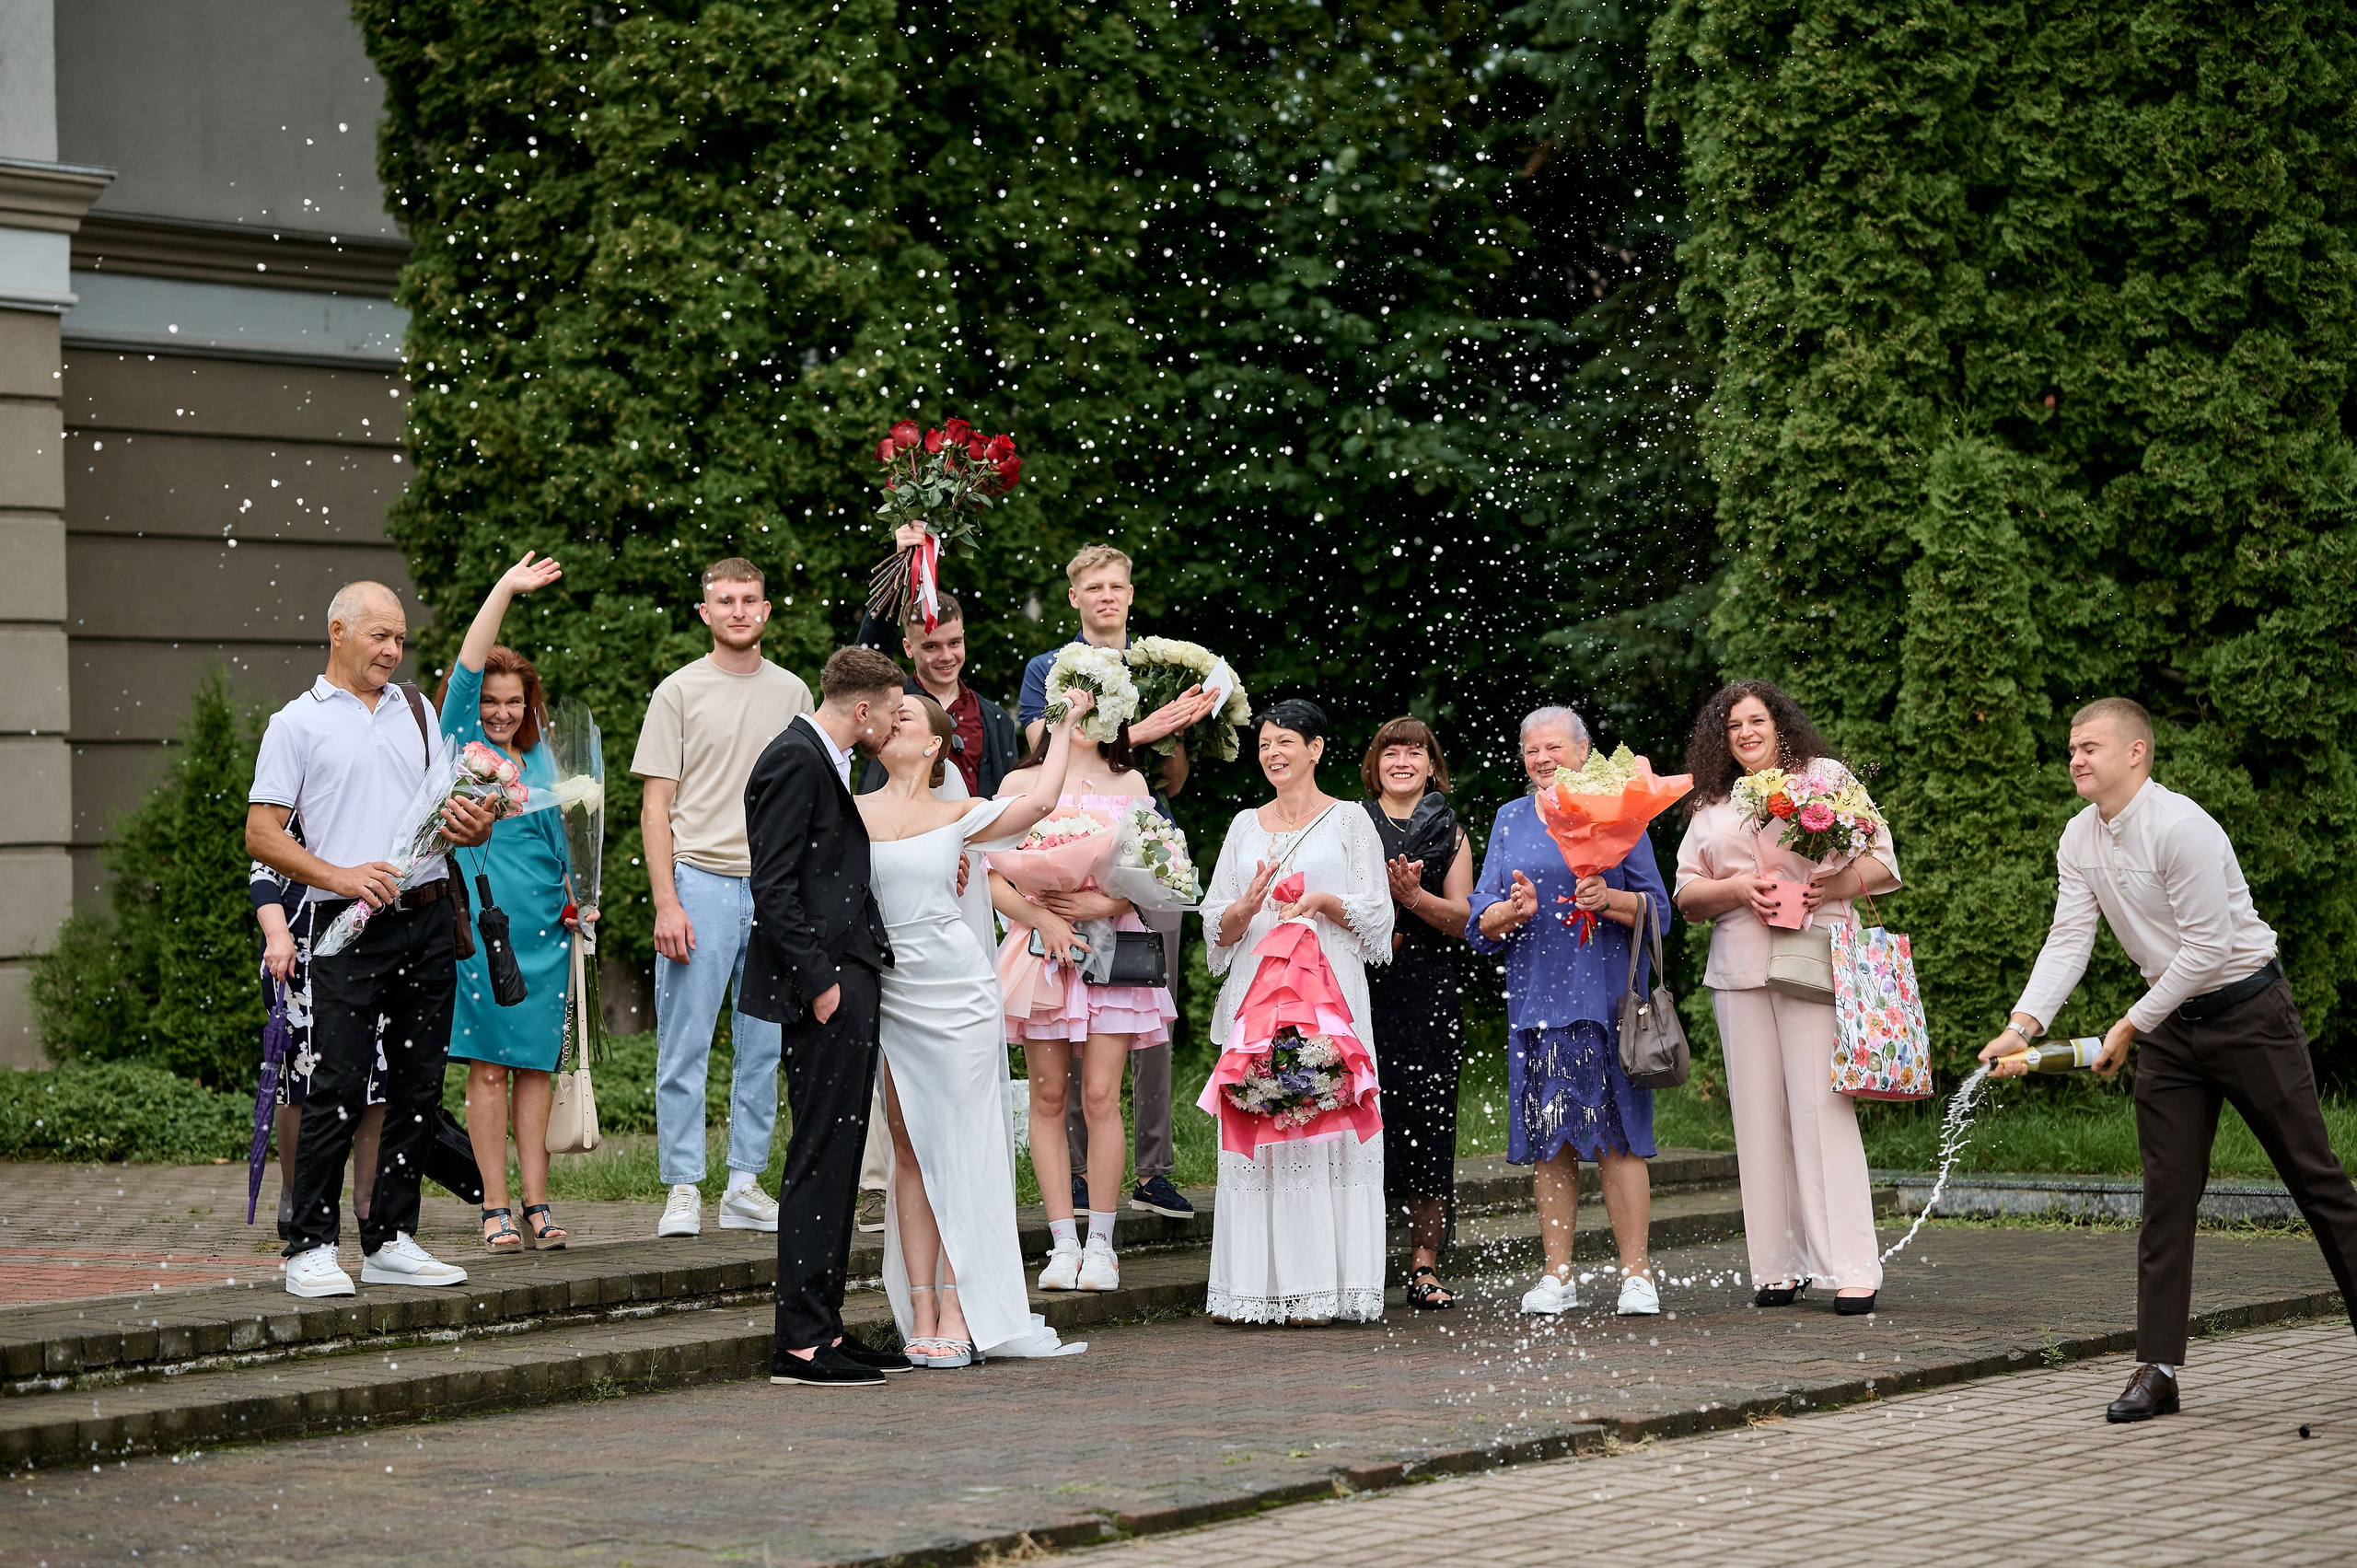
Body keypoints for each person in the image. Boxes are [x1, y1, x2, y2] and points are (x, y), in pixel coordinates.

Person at [1978, 697, 2357, 1423]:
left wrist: (2127, 1025)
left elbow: (2209, 947)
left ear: (2136, 753)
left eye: (2090, 747)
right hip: (2173, 1030)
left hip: (2250, 1015)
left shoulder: (2181, 826)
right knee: (2166, 1198)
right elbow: (2068, 940)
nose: (2076, 759)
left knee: (2319, 1183)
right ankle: (2158, 1369)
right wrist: (2022, 1025)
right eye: (2070, 749)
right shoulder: (2078, 837)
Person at [247, 580, 497, 1298]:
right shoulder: (295, 723)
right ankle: (310, 1247)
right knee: (337, 1083)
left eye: (399, 637)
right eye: (378, 635)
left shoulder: (416, 710)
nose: (392, 649)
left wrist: (474, 824)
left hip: (424, 915)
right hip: (344, 925)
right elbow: (261, 832)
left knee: (418, 1084)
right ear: (337, 630)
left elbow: (444, 810)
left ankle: (390, 1238)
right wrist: (341, 875)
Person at [864, 688, 1096, 1365]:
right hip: (894, 992)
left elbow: (1042, 802)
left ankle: (964, 1306)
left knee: (964, 1145)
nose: (890, 716)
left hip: (958, 992)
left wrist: (1065, 725)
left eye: (905, 714)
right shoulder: (851, 810)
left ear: (934, 744)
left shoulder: (961, 814)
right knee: (909, 1149)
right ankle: (922, 1306)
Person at [1673, 680, 1897, 1315]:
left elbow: (1882, 861)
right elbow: (1687, 896)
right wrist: (1741, 887)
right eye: (1732, 726)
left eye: (1756, 720)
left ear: (1780, 724)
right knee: (1758, 1119)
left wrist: (1826, 889)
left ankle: (1851, 1266)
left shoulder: (1824, 775)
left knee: (1822, 1111)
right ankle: (1778, 1266)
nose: (1745, 732)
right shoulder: (1710, 803)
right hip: (1739, 969)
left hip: (1815, 959)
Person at [1016, 542, 1214, 1223]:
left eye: (1117, 586)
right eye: (1093, 586)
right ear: (1073, 596)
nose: (1106, 596)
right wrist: (1141, 728)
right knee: (1067, 1017)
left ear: (1131, 594)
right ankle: (1073, 1168)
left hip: (1141, 860)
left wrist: (1165, 735)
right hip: (1067, 859)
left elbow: (1173, 779)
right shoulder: (1049, 668)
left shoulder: (1159, 670)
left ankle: (1153, 1169)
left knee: (1144, 1015)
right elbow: (1043, 749)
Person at [1467, 706, 1670, 1318]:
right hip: (1538, 1004)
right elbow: (1481, 915)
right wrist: (1508, 910)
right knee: (1549, 1144)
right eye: (1531, 749)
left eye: (1553, 746)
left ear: (1584, 753)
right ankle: (1558, 1274)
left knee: (1619, 1140)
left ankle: (1637, 1274)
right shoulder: (1511, 817)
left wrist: (1609, 898)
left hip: (1607, 999)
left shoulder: (1621, 811)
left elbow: (1659, 911)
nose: (1541, 757)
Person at [631, 558, 813, 1240]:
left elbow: (812, 801)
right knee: (686, 1043)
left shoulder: (795, 693)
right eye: (725, 601)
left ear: (766, 611)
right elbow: (656, 806)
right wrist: (666, 900)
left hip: (773, 888)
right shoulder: (677, 691)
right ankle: (683, 1184)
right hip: (699, 881)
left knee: (763, 1045)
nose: (738, 610)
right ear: (704, 612)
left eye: (750, 600)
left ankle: (743, 1182)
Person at [739, 645, 906, 1388]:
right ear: (862, 709)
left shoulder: (824, 754)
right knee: (819, 1155)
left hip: (848, 972)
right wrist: (820, 982)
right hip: (826, 984)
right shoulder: (794, 759)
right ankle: (802, 1341)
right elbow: (771, 887)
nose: (897, 725)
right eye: (893, 712)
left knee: (839, 1157)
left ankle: (825, 1325)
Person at [1199, 699, 1393, 1325]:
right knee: (1262, 1116)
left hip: (1330, 992)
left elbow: (1379, 921)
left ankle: (1321, 1290)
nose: (1273, 753)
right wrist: (1244, 904)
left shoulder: (1351, 821)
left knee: (1326, 1118)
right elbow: (1215, 925)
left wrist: (1324, 901)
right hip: (1261, 991)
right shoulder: (1243, 826)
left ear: (1316, 748)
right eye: (1264, 745)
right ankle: (1259, 1287)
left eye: (1286, 742)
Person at [851, 572, 1022, 1233]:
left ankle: (975, 1170)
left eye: (953, 642)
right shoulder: (897, 712)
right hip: (908, 872)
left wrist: (976, 854)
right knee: (890, 1033)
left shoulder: (993, 716)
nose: (944, 654)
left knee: (972, 1030)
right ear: (911, 648)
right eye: (931, 645)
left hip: (972, 872)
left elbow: (1006, 792)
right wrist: (904, 568)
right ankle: (881, 1178)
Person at [989, 705, 1177, 1293]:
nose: (1084, 719)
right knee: (1048, 1096)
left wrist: (1109, 905)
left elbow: (1156, 871)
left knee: (1100, 1094)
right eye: (1073, 708)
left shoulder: (1133, 783)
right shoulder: (1023, 784)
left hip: (1109, 948)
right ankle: (1061, 1241)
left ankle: (1101, 1244)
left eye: (1097, 708)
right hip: (1042, 945)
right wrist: (1041, 916)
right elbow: (991, 872)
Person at [438, 552, 596, 1251]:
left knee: (538, 1067)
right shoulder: (458, 738)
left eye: (514, 701)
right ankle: (493, 1206)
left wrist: (581, 899)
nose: (501, 712)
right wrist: (503, 586)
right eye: (491, 700)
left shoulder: (541, 756)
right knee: (489, 1067)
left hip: (546, 927)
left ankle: (538, 1202)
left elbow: (562, 838)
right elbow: (470, 666)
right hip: (484, 926)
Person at [1360, 717, 1474, 1310]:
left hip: (1427, 990)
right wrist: (1380, 921)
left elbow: (1464, 919)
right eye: (1390, 751)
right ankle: (1357, 1259)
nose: (1402, 760)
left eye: (1416, 752)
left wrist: (1412, 900)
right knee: (1360, 1118)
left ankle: (1425, 1265)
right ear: (1374, 764)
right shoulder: (1348, 823)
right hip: (1357, 989)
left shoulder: (1452, 832)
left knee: (1429, 1124)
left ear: (1433, 766)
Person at [250, 813, 384, 1242]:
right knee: (299, 1080)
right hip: (298, 950)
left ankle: (367, 1200)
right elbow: (263, 873)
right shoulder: (293, 802)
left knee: (377, 1077)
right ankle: (297, 1191)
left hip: (375, 943)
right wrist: (276, 934)